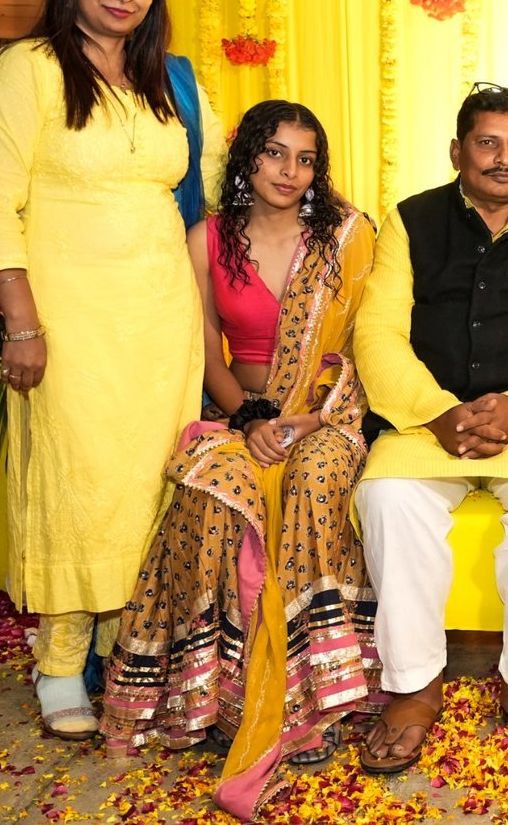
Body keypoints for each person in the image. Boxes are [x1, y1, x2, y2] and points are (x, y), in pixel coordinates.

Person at [0, 0, 224, 741]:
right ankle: (59, 662)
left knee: (150, 491)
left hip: (162, 321)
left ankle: (128, 655)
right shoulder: (29, 69)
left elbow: (221, 177)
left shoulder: (165, 81)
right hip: (70, 320)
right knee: (78, 486)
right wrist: (22, 323)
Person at [99, 100, 377, 816]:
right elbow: (206, 350)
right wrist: (250, 418)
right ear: (247, 156)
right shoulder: (208, 239)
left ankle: (315, 697)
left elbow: (362, 343)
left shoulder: (344, 238)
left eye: (305, 159)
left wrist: (311, 415)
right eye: (275, 153)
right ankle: (217, 698)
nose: (289, 171)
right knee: (212, 492)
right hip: (238, 413)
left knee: (313, 480)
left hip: (324, 416)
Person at [353, 83, 508, 773]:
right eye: (488, 143)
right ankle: (413, 685)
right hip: (426, 424)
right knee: (389, 499)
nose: (503, 159)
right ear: (457, 150)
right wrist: (434, 411)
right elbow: (378, 331)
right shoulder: (411, 220)